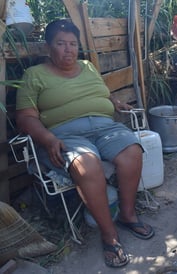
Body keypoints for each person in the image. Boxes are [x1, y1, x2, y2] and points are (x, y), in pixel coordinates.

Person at [15, 19, 154, 268]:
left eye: (72, 44)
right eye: (61, 43)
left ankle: (127, 215)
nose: (68, 49)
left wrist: (114, 102)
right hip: (65, 135)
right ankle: (109, 235)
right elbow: (25, 117)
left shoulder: (88, 66)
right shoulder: (34, 75)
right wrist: (48, 139)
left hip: (106, 127)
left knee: (132, 151)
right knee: (88, 165)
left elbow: (99, 92)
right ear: (49, 47)